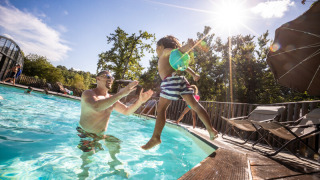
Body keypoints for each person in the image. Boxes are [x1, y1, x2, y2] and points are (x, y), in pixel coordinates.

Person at [141, 35, 218, 150]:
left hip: (169, 80)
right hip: (181, 80)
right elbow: (184, 66)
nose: (156, 51)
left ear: (161, 46)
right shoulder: (173, 58)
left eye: (156, 48)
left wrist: (188, 46)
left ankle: (155, 137)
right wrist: (193, 74)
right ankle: (210, 129)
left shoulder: (165, 52)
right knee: (195, 105)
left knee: (161, 109)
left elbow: (178, 50)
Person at [77, 69, 153, 178]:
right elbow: (96, 106)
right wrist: (121, 94)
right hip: (86, 134)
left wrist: (140, 101)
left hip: (100, 135)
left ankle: (114, 166)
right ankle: (83, 175)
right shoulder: (88, 93)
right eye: (107, 76)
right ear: (98, 78)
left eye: (112, 77)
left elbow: (126, 111)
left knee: (115, 144)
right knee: (88, 158)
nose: (110, 79)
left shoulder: (111, 99)